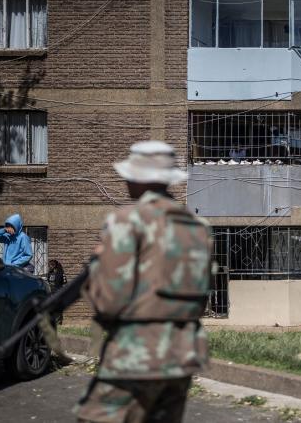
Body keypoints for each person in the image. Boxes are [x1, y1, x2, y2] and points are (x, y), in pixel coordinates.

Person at [76, 140, 212, 423]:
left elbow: (109, 302)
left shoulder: (129, 220)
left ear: (138, 180)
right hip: (183, 352)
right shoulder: (198, 228)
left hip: (135, 353)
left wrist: (97, 271)